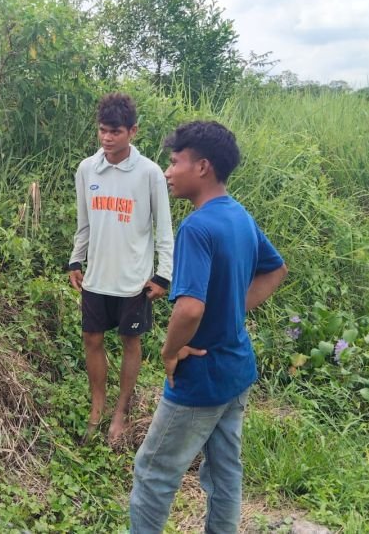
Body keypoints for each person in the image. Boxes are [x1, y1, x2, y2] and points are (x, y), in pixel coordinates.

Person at [129, 120, 288, 533]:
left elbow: (189, 310)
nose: (167, 171)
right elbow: (276, 270)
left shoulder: (197, 227)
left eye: (174, 161)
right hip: (237, 369)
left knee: (153, 472)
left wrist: (169, 351)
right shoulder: (238, 215)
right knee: (224, 471)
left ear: (202, 167)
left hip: (200, 376)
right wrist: (232, 312)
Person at [68, 92, 174, 445]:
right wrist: (75, 259)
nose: (107, 138)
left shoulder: (149, 174)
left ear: (133, 131)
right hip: (97, 276)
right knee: (91, 339)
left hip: (133, 280)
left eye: (115, 131)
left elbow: (164, 229)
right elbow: (84, 224)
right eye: (102, 131)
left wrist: (163, 274)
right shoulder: (87, 169)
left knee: (131, 340)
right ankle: (97, 407)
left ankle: (120, 413)